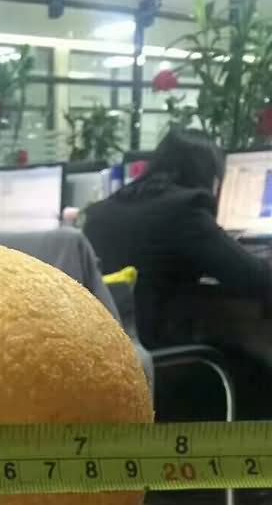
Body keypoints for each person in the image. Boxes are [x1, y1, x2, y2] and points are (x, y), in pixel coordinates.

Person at [84, 128, 272, 349]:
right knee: (252, 359)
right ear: (207, 173)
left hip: (105, 352)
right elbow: (255, 278)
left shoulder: (99, 212)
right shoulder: (186, 209)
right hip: (158, 353)